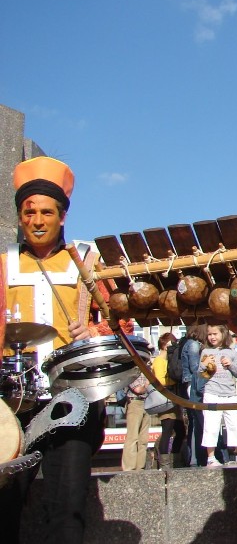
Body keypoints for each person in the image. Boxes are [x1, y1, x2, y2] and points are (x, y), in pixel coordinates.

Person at [1, 156, 132, 544]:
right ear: (20, 216)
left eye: (46, 212)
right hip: (12, 402)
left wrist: (92, 329)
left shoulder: (87, 261)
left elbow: (122, 321)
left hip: (72, 400)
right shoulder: (4, 264)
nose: (37, 221)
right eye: (29, 213)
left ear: (62, 217)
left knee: (67, 506)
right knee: (5, 508)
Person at [198, 322, 237, 466]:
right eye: (209, 334)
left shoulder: (231, 352)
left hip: (230, 393)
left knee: (235, 424)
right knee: (211, 426)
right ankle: (211, 458)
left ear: (223, 334)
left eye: (215, 334)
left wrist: (230, 364)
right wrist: (206, 366)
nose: (212, 337)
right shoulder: (205, 352)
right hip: (212, 393)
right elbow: (202, 376)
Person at [151, 332, 186, 469]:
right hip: (166, 398)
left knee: (180, 431)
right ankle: (165, 462)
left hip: (173, 398)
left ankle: (174, 459)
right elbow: (160, 380)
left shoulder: (167, 360)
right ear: (166, 345)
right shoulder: (160, 360)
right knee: (168, 428)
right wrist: (174, 378)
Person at [181, 322, 208, 466]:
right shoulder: (194, 345)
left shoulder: (189, 343)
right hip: (194, 384)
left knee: (195, 422)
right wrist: (210, 365)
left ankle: (195, 458)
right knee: (199, 422)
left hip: (191, 383)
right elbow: (195, 368)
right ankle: (196, 458)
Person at [121, 371, 151, 471]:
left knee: (144, 439)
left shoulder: (147, 369)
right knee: (132, 437)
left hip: (147, 403)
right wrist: (148, 384)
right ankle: (129, 468)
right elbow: (138, 389)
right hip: (134, 402)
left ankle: (140, 467)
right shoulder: (131, 371)